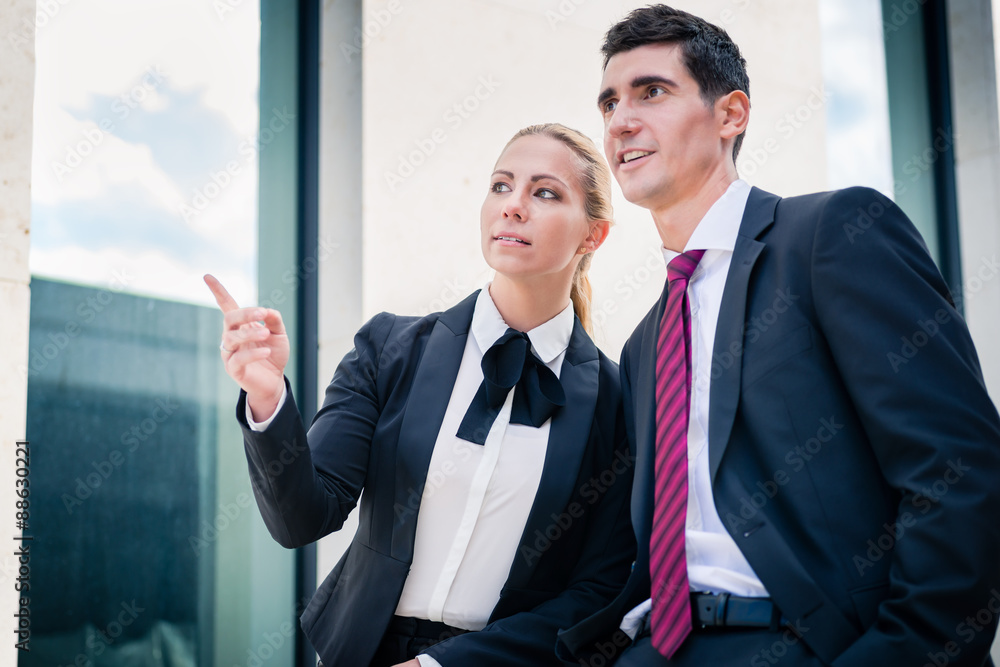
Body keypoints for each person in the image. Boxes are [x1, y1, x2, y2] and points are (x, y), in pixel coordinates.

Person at [557, 5, 1000, 666]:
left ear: (730, 115)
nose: (621, 120)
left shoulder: (832, 234)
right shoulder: (643, 345)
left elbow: (958, 470)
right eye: (609, 102)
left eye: (652, 91)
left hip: (812, 643)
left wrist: (902, 649)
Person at [204, 123, 637, 666]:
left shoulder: (618, 400)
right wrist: (269, 401)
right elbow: (303, 519)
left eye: (545, 192)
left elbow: (600, 591)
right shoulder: (390, 348)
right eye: (501, 186)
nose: (514, 206)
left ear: (593, 235)